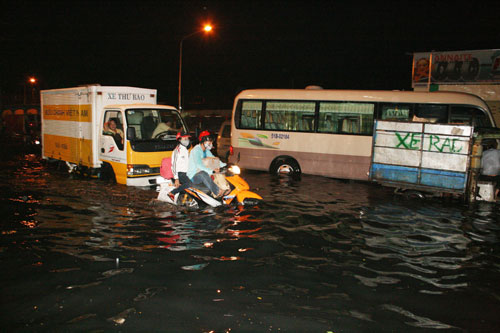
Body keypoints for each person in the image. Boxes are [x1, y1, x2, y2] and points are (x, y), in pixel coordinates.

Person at [187, 130, 227, 198]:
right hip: (193, 176)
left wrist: (225, 165)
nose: (211, 143)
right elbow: (199, 165)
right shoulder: (196, 150)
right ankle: (217, 191)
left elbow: (214, 160)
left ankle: (226, 189)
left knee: (218, 169)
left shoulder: (206, 151)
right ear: (202, 141)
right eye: (209, 141)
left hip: (202, 171)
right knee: (203, 174)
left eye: (211, 141)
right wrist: (212, 171)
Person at [167, 131, 192, 204]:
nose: (187, 140)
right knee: (190, 184)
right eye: (185, 138)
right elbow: (173, 165)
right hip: (180, 174)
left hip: (187, 173)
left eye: (187, 138)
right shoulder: (177, 150)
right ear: (180, 139)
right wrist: (176, 178)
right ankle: (172, 192)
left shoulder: (186, 150)